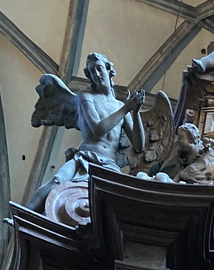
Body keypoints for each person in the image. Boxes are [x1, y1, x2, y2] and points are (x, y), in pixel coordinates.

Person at [27, 53, 144, 212]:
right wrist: (126, 108)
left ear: (109, 71)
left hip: (109, 165)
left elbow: (138, 145)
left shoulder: (120, 107)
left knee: (123, 201)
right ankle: (22, 216)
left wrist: (135, 112)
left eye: (99, 68)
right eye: (92, 71)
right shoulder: (86, 97)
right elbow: (96, 131)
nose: (96, 74)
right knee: (57, 180)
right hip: (85, 158)